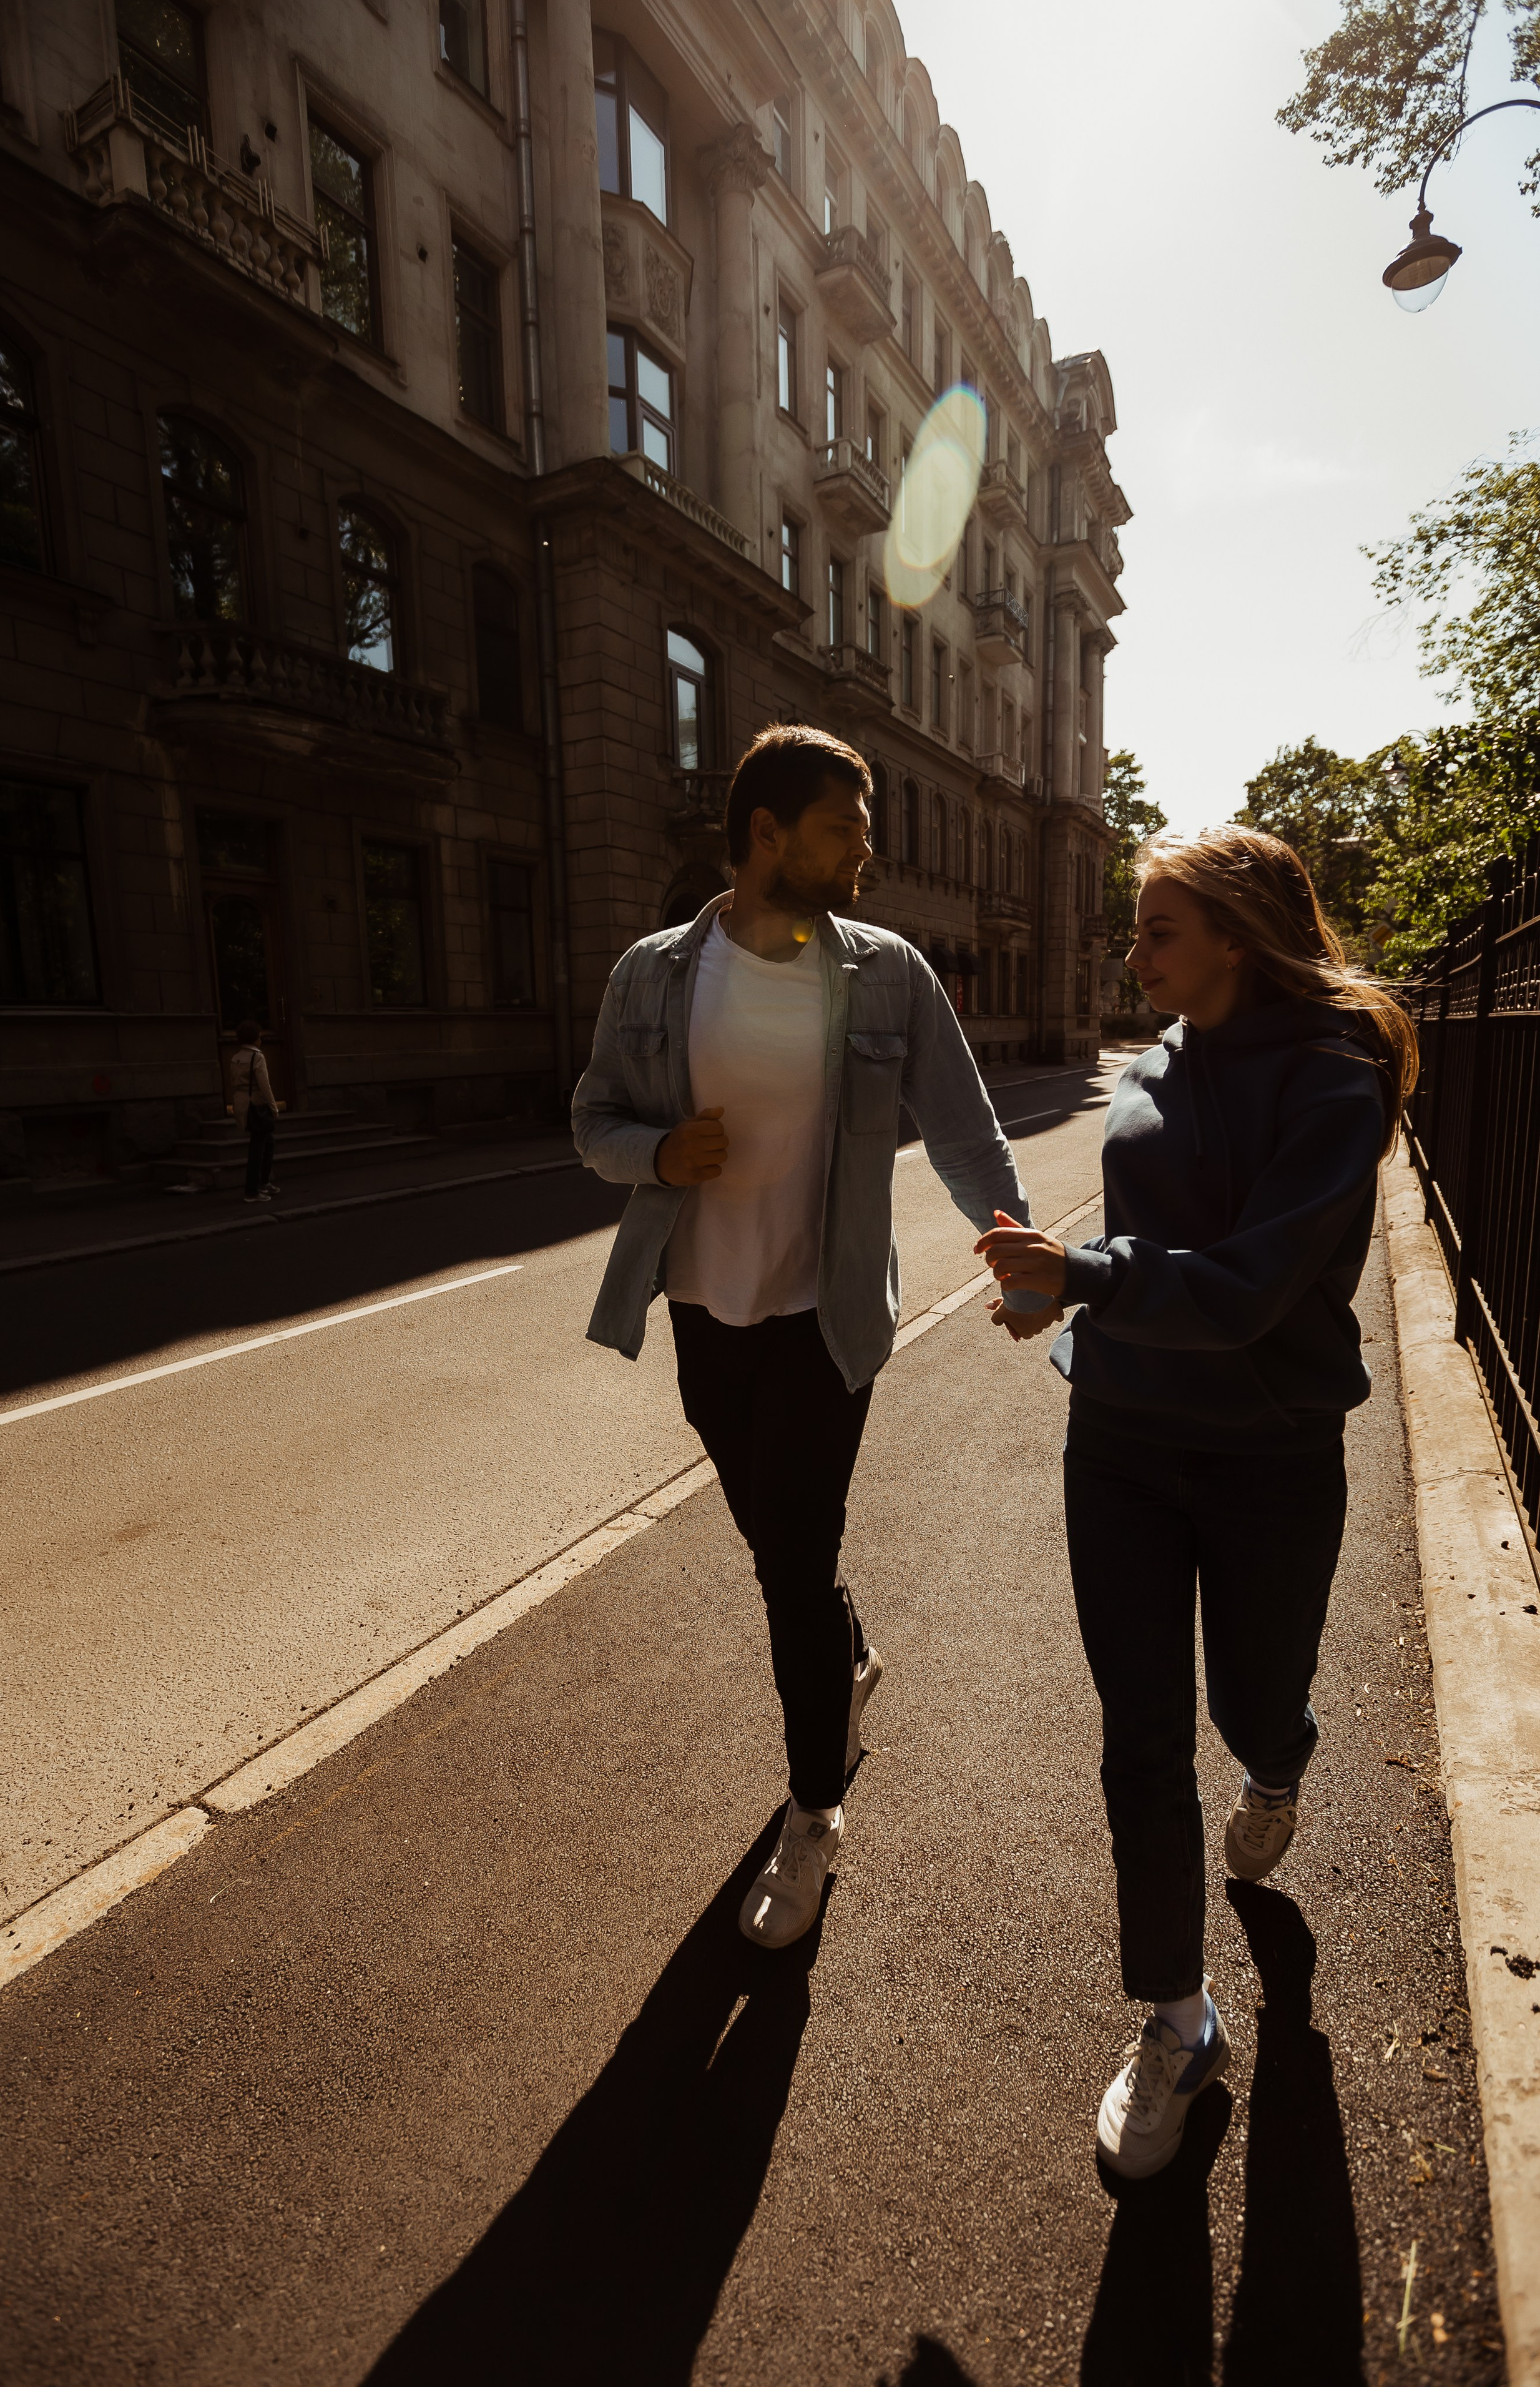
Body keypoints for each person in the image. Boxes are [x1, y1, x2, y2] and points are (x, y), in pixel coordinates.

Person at [976, 825, 1417, 2178]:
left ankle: (1278, 1759)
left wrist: (1089, 1277)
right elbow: (1137, 1252)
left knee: (1248, 1701)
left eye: (1156, 930)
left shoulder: (1336, 1081)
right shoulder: (1153, 1061)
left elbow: (1243, 1292)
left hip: (1265, 1450)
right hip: (1116, 1439)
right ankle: (1175, 2018)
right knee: (1140, 1738)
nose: (1131, 953)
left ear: (1232, 936)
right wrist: (1062, 1296)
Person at [574, 724, 1053, 1950]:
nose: (867, 850)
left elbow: (961, 1127)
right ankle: (842, 1654)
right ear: (765, 836)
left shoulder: (887, 974)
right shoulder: (652, 976)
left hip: (822, 1327)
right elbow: (591, 1122)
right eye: (845, 825)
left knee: (792, 1561)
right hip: (699, 1319)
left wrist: (1021, 1249)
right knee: (780, 1548)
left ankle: (812, 1813)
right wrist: (654, 1154)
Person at [231, 1016, 279, 1204]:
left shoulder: (235, 1058)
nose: (261, 1039)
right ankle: (252, 1191)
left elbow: (234, 1085)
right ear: (255, 1038)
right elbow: (265, 1086)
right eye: (260, 1036)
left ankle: (264, 1182)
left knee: (267, 1143)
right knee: (258, 1149)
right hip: (257, 1106)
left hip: (243, 1106)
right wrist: (274, 1108)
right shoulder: (257, 1056)